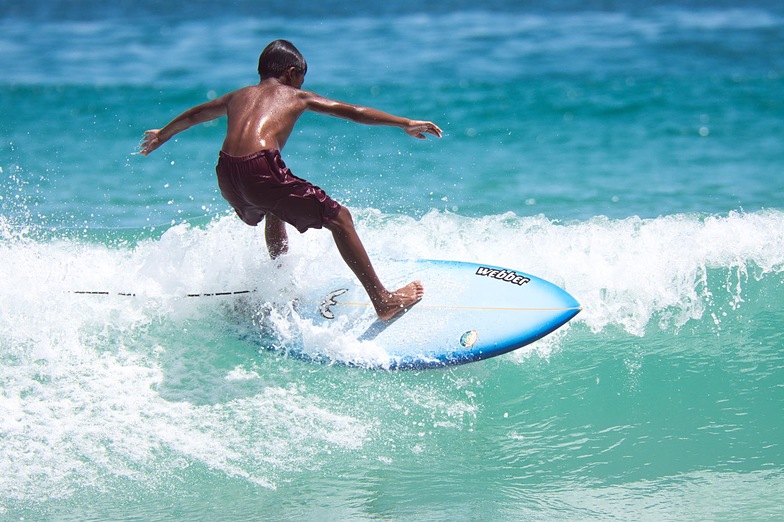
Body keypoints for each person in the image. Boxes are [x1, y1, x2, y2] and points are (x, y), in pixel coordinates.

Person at [140, 39, 442, 321]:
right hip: (259, 168)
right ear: (292, 72)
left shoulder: (238, 96)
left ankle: (281, 285)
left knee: (275, 208)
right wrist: (405, 123)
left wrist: (162, 134)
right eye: (302, 78)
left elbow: (195, 115)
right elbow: (352, 112)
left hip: (227, 173)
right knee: (341, 219)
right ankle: (383, 300)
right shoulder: (295, 95)